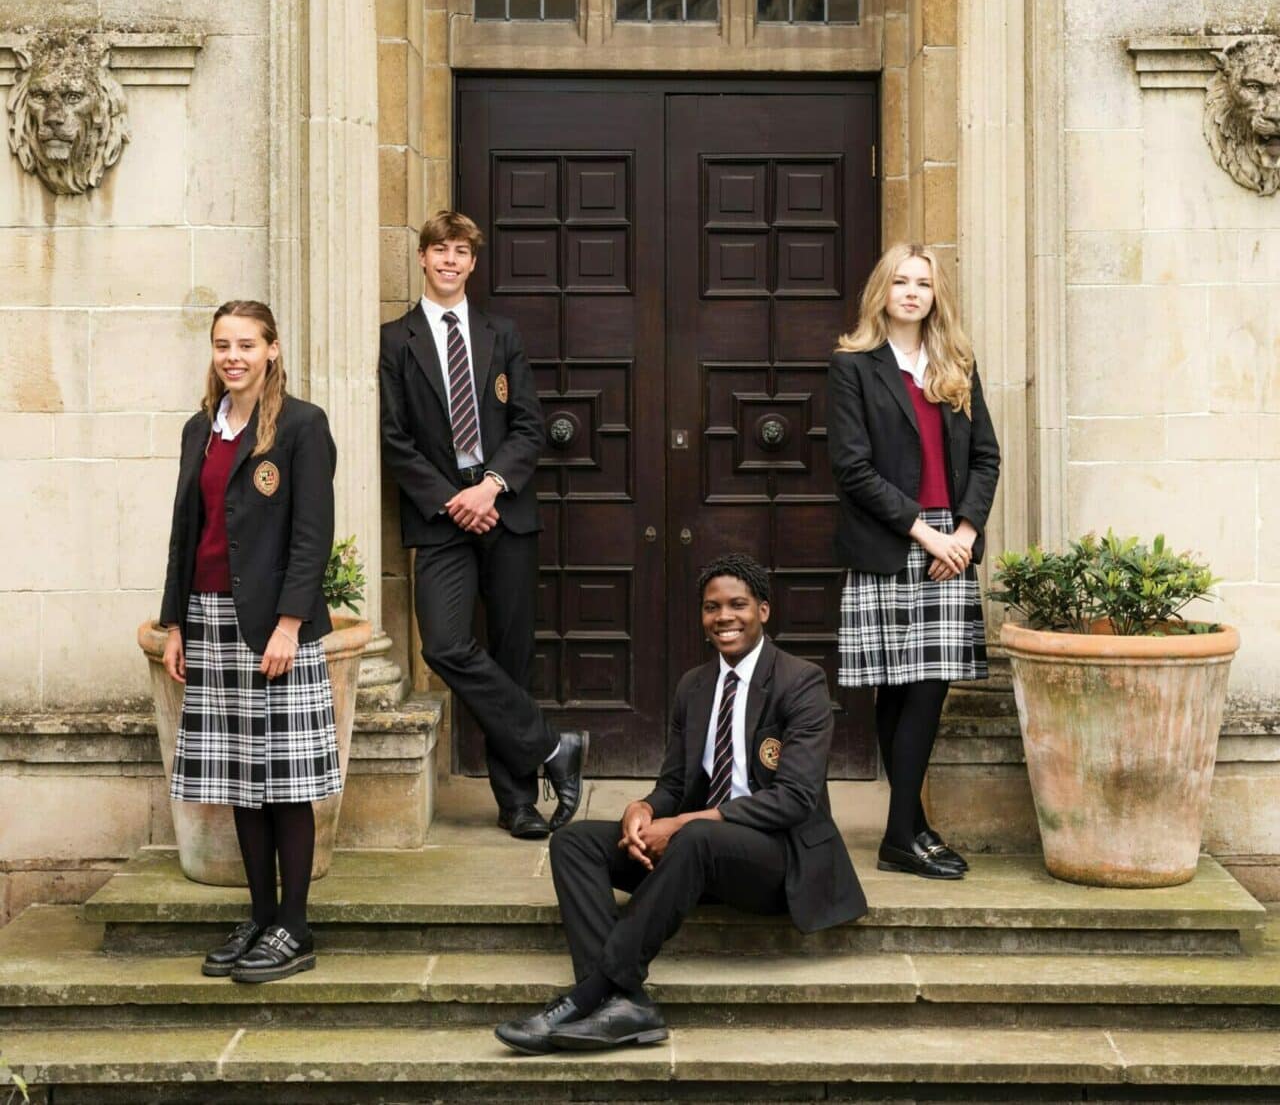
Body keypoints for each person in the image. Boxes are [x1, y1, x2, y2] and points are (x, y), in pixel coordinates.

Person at [496, 553, 866, 1054]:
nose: (724, 617)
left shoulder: (801, 682)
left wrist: (686, 820)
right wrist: (643, 810)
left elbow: (795, 799)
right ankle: (626, 1004)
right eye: (712, 607)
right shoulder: (694, 686)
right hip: (700, 855)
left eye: (737, 605)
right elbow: (673, 784)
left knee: (695, 835)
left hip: (778, 860)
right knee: (574, 842)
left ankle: (591, 994)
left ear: (763, 610)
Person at [379, 210, 585, 840]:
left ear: (473, 261)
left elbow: (529, 425)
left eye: (461, 251)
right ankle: (553, 746)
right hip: (442, 520)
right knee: (443, 642)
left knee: (512, 657)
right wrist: (453, 499)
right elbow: (393, 440)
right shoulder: (396, 340)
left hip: (506, 512)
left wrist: (490, 486)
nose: (449, 260)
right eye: (439, 250)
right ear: (422, 258)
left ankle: (518, 802)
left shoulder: (502, 335)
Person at [160, 300, 339, 982]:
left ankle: (295, 926)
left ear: (270, 348)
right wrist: (175, 621)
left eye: (245, 344)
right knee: (241, 776)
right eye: (221, 344)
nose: (232, 355)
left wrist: (291, 623)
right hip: (207, 620)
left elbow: (311, 533)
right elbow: (185, 534)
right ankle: (261, 915)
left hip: (273, 626)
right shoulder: (199, 430)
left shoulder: (300, 425)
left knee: (286, 781)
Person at [828, 243, 1000, 881]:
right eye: (900, 281)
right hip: (891, 544)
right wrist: (928, 536)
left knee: (928, 687)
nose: (910, 292)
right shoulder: (854, 366)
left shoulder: (955, 363)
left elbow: (986, 457)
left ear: (935, 294)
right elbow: (852, 468)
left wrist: (964, 528)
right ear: (883, 291)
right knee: (895, 690)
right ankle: (907, 831)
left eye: (922, 283)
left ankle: (904, 829)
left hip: (949, 545)